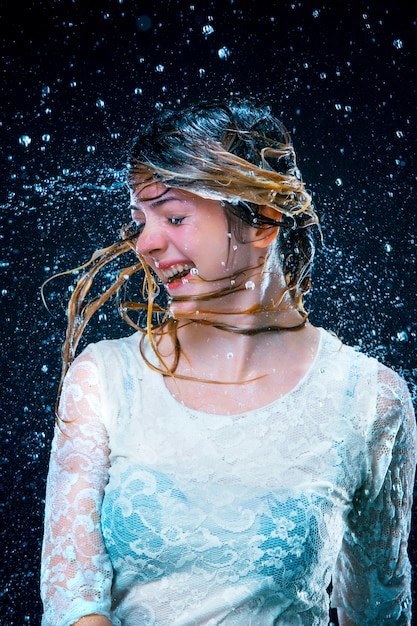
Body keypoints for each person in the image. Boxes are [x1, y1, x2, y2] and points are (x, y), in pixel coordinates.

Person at [40, 100, 417, 626]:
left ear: (261, 222)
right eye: (139, 220)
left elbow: (377, 611)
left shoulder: (369, 400)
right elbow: (72, 601)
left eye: (173, 217)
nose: (146, 243)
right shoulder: (102, 380)